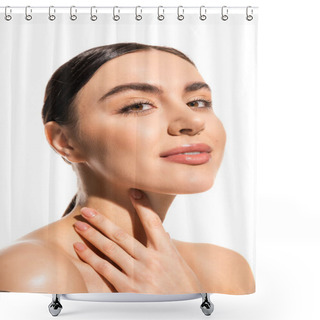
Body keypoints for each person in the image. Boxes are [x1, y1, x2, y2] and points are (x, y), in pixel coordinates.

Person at [0, 42, 255, 294]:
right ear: (65, 142)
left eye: (198, 102)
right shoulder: (33, 271)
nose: (192, 121)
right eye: (138, 106)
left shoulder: (226, 268)